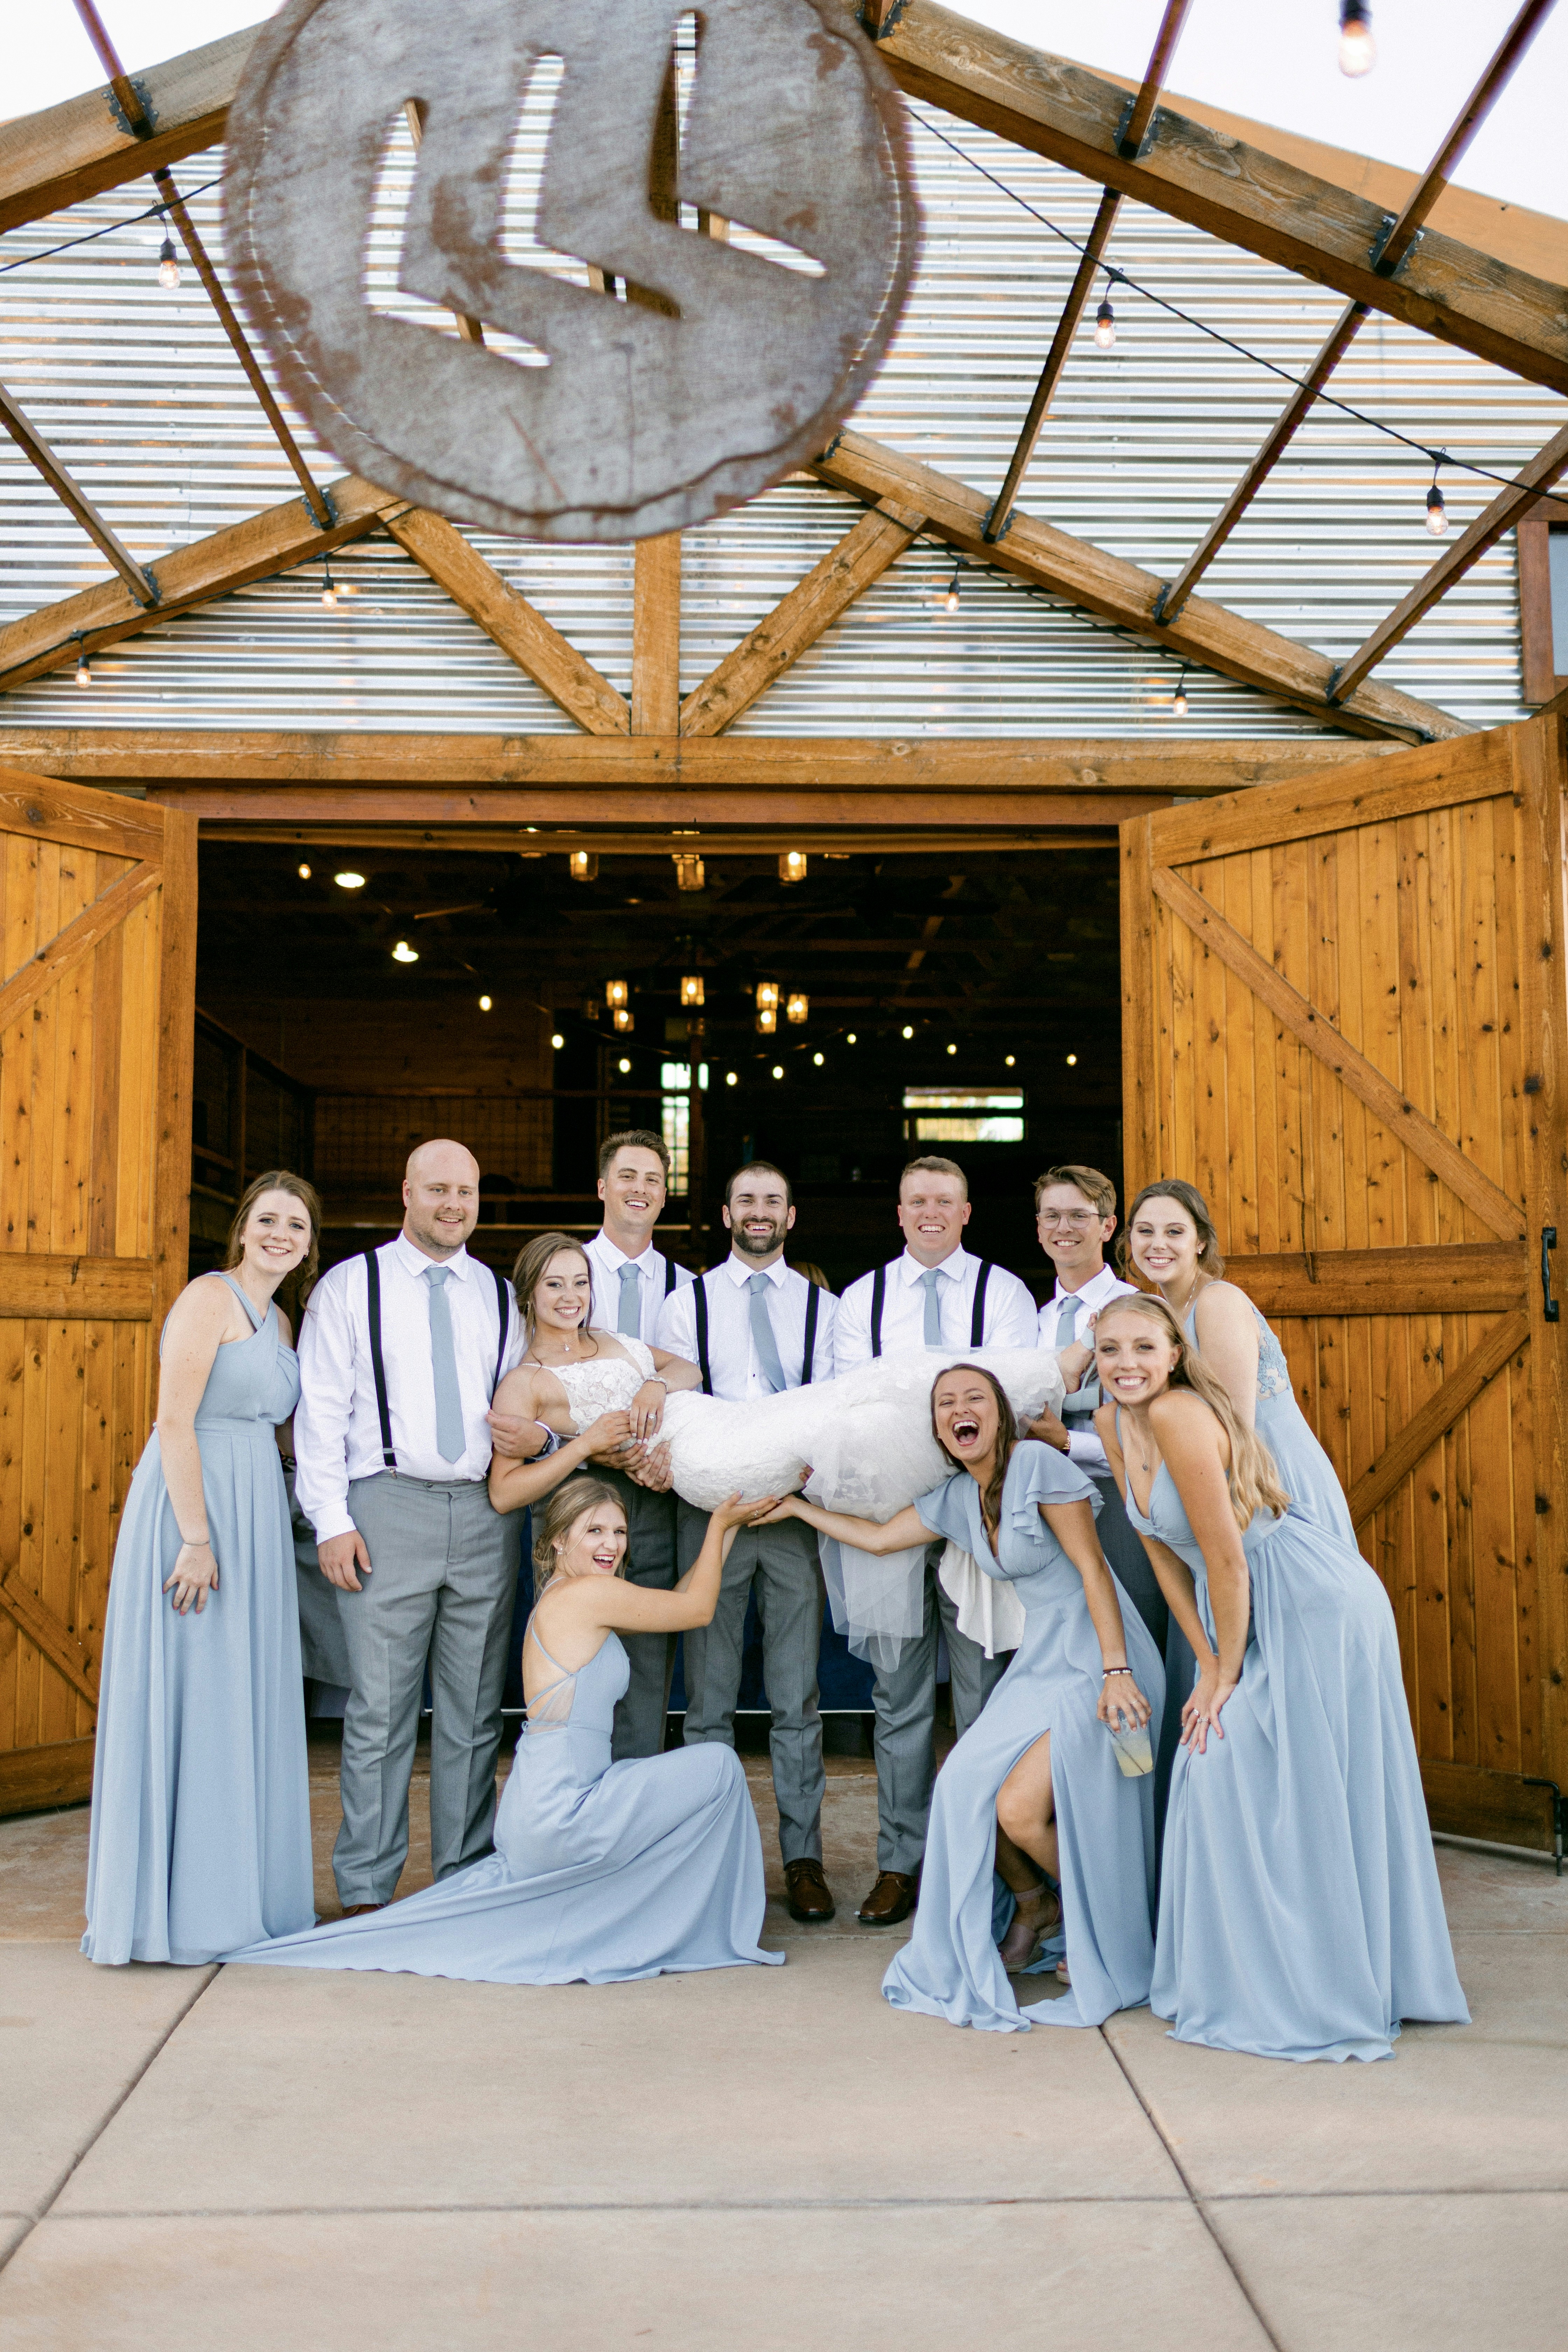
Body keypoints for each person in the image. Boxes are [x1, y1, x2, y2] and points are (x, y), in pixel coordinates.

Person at [1094, 1293, 1469, 2062]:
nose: (1125, 1365)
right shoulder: (1110, 1425)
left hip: (1305, 1597)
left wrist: (1223, 1676)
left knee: (1262, 1774)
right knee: (1214, 1773)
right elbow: (1165, 1560)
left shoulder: (1179, 1416)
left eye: (1142, 1348)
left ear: (1173, 1356)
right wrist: (1204, 1659)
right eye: (1108, 1351)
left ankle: (1325, 1983)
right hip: (1237, 1607)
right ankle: (1247, 1975)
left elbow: (1227, 1558)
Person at [226, 1476, 788, 1983]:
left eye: (618, 1531)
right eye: (593, 1530)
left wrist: (727, 1531)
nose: (611, 1544)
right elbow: (698, 1610)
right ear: (557, 1541)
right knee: (718, 1765)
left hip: (541, 1806)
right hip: (565, 1810)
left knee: (702, 1775)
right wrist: (718, 1523)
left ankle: (665, 1918)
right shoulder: (587, 1596)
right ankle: (688, 1924)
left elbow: (679, 1599)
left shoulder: (573, 1595)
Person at [763, 1363, 1162, 2028]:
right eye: (947, 1404)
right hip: (1040, 1665)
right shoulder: (956, 1499)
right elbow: (881, 1537)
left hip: (1098, 1656)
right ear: (941, 1432)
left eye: (974, 1397)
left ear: (999, 1414)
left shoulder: (1037, 1465)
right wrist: (798, 1507)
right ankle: (1035, 1904)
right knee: (959, 1787)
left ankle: (1110, 1931)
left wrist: (1116, 1672)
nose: (960, 1410)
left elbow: (1094, 1569)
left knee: (1019, 1811)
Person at [83, 1174, 320, 1965]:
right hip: (195, 1512)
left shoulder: (283, 1321)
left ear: (310, 1240)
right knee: (194, 1696)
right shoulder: (206, 1299)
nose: (281, 1234)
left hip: (255, 1515)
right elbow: (174, 1422)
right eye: (268, 1220)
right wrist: (196, 1537)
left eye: (297, 1223)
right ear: (242, 1230)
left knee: (239, 1699)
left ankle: (237, 1896)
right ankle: (172, 1911)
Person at [294, 1139, 526, 1915]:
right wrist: (329, 1519)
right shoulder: (349, 1286)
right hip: (384, 1507)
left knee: (473, 1712)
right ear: (406, 1193)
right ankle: (365, 1890)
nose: (453, 1205)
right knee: (381, 1711)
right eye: (437, 1190)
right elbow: (320, 1414)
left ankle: (462, 1883)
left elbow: (529, 1403)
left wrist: (544, 1442)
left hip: (485, 1511)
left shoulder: (498, 1294)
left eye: (466, 1191)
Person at [834, 1156, 1039, 1925]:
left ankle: (988, 1870)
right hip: (889, 1512)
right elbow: (852, 1403)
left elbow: (1013, 1397)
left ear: (965, 1212)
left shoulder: (1004, 1293)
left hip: (975, 1515)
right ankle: (900, 1864)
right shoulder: (863, 1298)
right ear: (898, 1212)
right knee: (898, 1700)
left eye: (942, 1201)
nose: (929, 1211)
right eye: (915, 1199)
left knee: (984, 1697)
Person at [656, 1162, 839, 1924]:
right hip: (711, 1518)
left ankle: (802, 1860)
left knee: (796, 1697)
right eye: (745, 1201)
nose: (757, 1213)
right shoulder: (683, 1304)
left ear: (790, 1216)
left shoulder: (823, 1309)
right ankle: (710, 1858)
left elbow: (833, 1408)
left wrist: (793, 1490)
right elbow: (672, 1407)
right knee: (708, 1697)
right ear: (726, 1213)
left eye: (771, 1201)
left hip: (792, 1514)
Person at [1026, 1163, 1192, 1821]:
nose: (1063, 1228)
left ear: (1107, 1226)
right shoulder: (1033, 1322)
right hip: (1049, 1520)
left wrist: (1068, 1444)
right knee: (1070, 1666)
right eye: (1051, 1217)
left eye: (1077, 1216)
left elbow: (1156, 1427)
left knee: (1132, 1659)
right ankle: (1078, 1820)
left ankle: (1141, 1817)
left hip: (1124, 1510)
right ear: (1038, 1230)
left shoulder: (1138, 1313)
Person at [1120, 1180, 1355, 1543]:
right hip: (1219, 1471)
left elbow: (1235, 1425)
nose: (1158, 1244)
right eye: (1145, 1231)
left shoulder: (1217, 1302)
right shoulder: (1163, 1312)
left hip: (1265, 1473)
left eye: (1175, 1232)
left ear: (1199, 1242)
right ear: (1129, 1239)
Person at [574, 1130, 694, 1760]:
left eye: (653, 1179)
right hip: (577, 1481)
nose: (640, 1189)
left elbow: (697, 1379)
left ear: (665, 1195)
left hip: (657, 1481)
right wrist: (588, 1447)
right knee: (576, 1639)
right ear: (602, 1187)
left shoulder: (688, 1285)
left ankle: (638, 1786)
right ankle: (577, 1789)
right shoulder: (564, 1271)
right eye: (627, 1176)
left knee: (648, 1646)